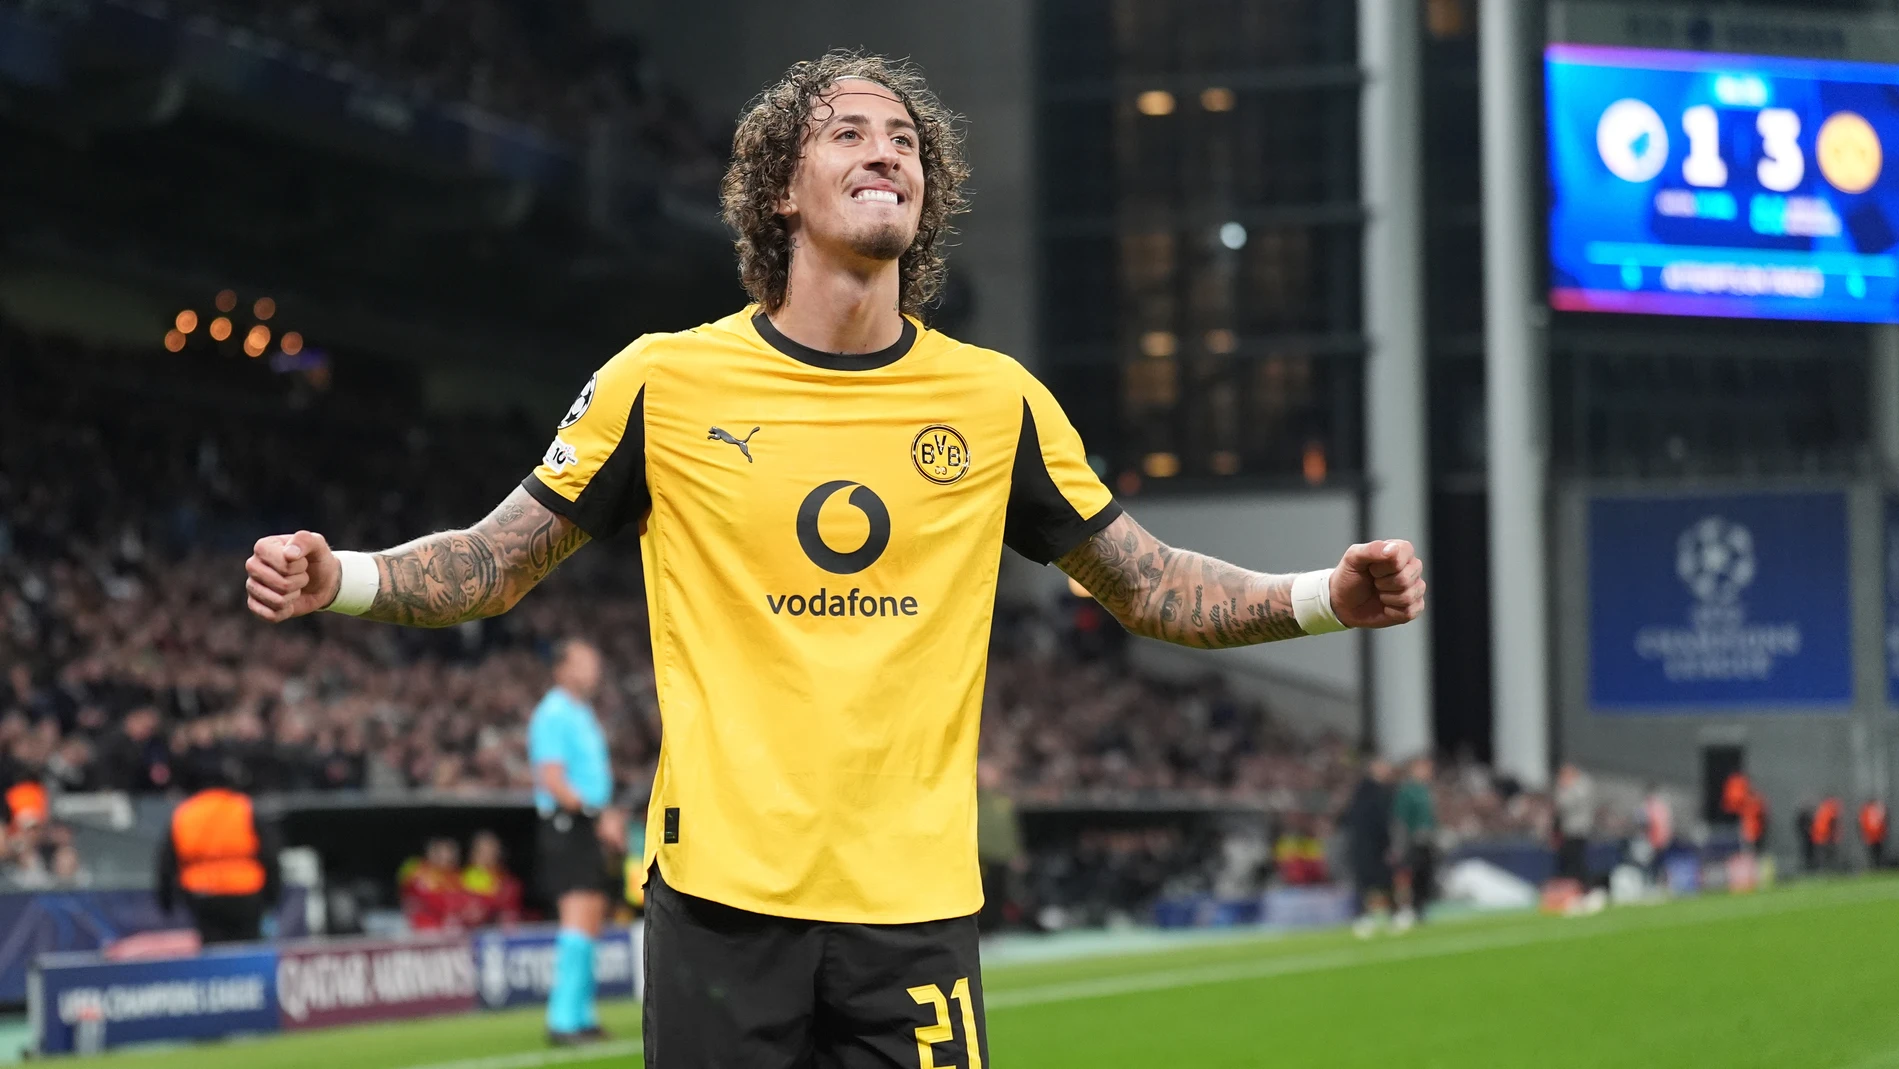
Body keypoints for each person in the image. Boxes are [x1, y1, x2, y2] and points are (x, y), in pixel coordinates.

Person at [239, 50, 1429, 1067]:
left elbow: (1149, 583)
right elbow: (496, 560)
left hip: (915, 911)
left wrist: (1323, 597)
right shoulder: (663, 381)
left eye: (904, 139)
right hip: (721, 906)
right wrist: (343, 576)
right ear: (780, 190)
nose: (885, 151)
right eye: (849, 132)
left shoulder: (996, 401)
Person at [527, 640, 620, 1046]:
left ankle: (583, 1013)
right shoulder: (553, 713)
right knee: (577, 916)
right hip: (570, 823)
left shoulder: (582, 712)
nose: (593, 670)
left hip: (589, 823)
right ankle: (562, 1019)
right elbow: (552, 778)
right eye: (584, 662)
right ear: (561, 668)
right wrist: (595, 815)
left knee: (593, 917)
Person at [154, 776, 281, 945]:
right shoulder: (243, 807)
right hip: (246, 893)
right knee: (248, 948)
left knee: (213, 949)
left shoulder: (185, 812)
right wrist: (273, 895)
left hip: (203, 894)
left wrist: (166, 901)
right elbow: (270, 854)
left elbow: (167, 861)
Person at [1343, 758, 1396, 938]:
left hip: (1368, 844)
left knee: (1381, 880)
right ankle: (1365, 916)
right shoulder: (1369, 792)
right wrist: (1386, 842)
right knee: (1369, 881)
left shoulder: (1372, 791)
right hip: (1367, 844)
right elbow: (1377, 821)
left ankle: (1386, 914)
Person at [974, 758, 1025, 931]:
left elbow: (1011, 830)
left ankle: (994, 928)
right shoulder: (973, 799)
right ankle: (983, 929)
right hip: (980, 857)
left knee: (1000, 893)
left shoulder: (1004, 802)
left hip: (1001, 857)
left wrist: (1016, 853)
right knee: (982, 894)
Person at [1392, 756, 1437, 929]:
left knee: (1424, 876)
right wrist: (1400, 844)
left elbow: (1430, 818)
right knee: (1407, 877)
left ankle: (1420, 909)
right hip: (1411, 842)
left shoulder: (1425, 790)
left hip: (1426, 841)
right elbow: (1401, 819)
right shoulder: (1407, 791)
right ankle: (1403, 909)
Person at [398, 837, 466, 931]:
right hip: (421, 926)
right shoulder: (417, 870)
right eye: (442, 852)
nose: (447, 857)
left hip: (448, 927)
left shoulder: (458, 876)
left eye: (451, 852)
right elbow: (411, 897)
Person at [463, 829, 525, 927]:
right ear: (473, 853)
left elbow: (510, 909)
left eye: (492, 851)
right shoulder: (460, 880)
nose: (488, 856)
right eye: (483, 851)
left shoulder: (509, 882)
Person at [1553, 763, 1596, 886]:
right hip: (1570, 829)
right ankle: (1575, 885)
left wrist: (1564, 787)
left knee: (1576, 860)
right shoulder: (1579, 785)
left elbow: (1565, 804)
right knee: (1571, 860)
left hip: (1576, 829)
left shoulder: (1579, 786)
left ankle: (1582, 885)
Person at [1813, 795, 1843, 871]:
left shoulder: (1822, 809)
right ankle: (1830, 869)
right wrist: (1832, 836)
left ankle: (1824, 869)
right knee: (1829, 854)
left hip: (1820, 836)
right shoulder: (1830, 810)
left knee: (1823, 854)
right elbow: (1832, 823)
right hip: (1827, 837)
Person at [1861, 799, 1889, 870]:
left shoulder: (1876, 810)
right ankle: (1874, 866)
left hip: (1877, 836)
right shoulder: (1869, 811)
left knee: (1877, 853)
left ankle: (1877, 866)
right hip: (1872, 837)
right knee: (1873, 853)